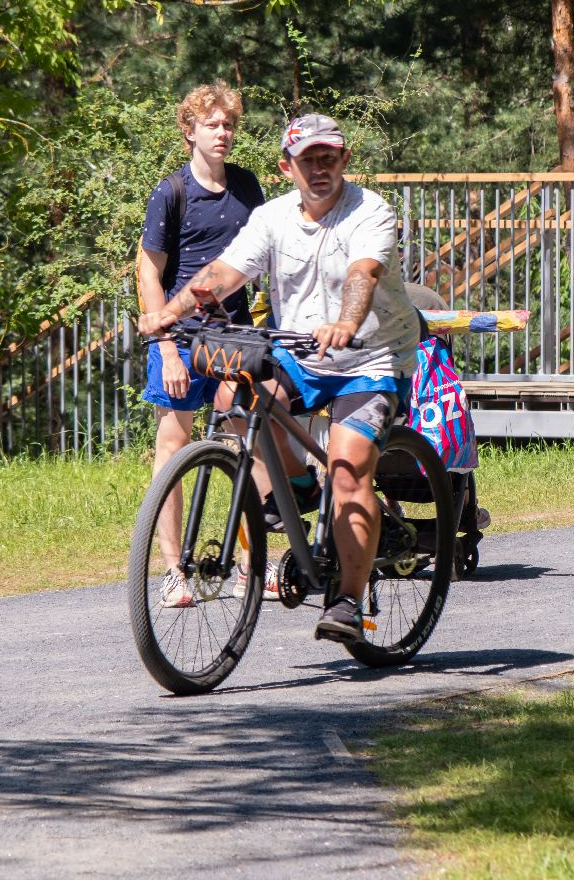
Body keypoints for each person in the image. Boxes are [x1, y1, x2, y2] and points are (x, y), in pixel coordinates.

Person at [138, 113, 421, 642]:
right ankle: (295, 485)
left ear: (345, 161)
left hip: (370, 357)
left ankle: (346, 604)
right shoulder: (271, 217)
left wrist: (347, 322)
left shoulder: (370, 211)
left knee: (348, 468)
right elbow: (222, 274)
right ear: (286, 166)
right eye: (307, 159)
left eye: (328, 157)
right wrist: (172, 312)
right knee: (239, 398)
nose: (319, 168)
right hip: (301, 353)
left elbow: (363, 273)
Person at [137, 83, 267, 607]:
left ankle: (251, 565)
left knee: (247, 445)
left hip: (233, 338)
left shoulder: (247, 186)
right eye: (211, 125)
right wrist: (166, 346)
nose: (222, 133)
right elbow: (149, 271)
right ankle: (174, 571)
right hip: (181, 338)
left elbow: (264, 258)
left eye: (228, 125)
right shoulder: (172, 192)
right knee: (173, 451)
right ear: (188, 131)